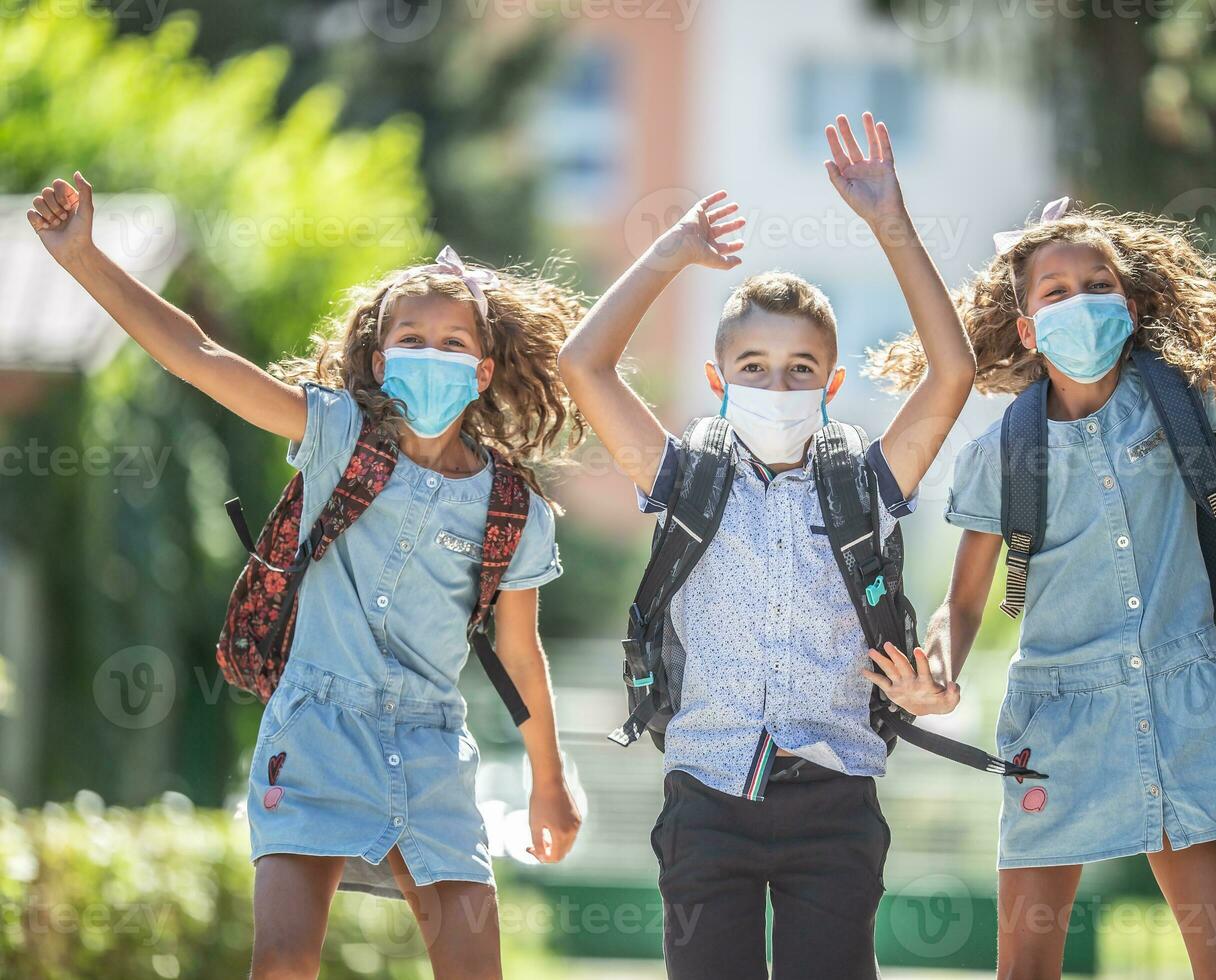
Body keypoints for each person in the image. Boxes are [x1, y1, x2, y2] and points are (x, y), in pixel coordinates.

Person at [866, 39, 1216, 980]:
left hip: (1183, 700)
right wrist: (936, 671)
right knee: (1025, 973)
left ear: (1129, 309)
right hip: (1055, 719)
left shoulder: (1180, 395)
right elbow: (962, 605)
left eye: (1101, 288)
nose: (1082, 302)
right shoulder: (998, 451)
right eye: (1058, 292)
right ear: (1027, 324)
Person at [27, 179, 585, 979]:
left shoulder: (512, 507)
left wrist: (549, 782)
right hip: (315, 734)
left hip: (433, 751)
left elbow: (522, 656)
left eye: (452, 343)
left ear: (486, 367)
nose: (432, 355)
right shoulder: (338, 437)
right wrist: (83, 258)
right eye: (411, 340)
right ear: (380, 359)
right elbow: (202, 358)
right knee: (283, 962)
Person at [557, 111, 976, 979]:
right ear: (718, 379)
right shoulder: (684, 478)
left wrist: (889, 221)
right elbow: (582, 367)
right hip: (708, 795)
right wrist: (670, 251)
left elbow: (953, 372)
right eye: (753, 365)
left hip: (837, 798)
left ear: (832, 383)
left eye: (799, 370)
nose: (776, 383)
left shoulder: (864, 479)